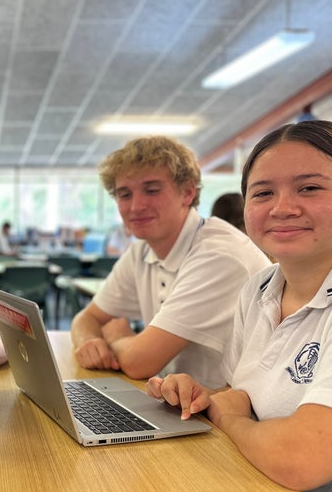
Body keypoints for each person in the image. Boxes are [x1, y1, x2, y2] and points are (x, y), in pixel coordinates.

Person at [146, 120, 332, 492]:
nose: (282, 207)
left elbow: (302, 458)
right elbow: (240, 393)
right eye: (263, 193)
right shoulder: (259, 288)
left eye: (310, 187)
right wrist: (202, 394)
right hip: (262, 491)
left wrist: (227, 415)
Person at [70, 135, 270, 388]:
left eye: (152, 190)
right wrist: (89, 341)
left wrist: (118, 338)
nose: (136, 206)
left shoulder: (219, 255)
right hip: (177, 401)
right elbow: (85, 318)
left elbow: (139, 363)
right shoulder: (141, 250)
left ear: (187, 193)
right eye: (124, 194)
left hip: (227, 416)